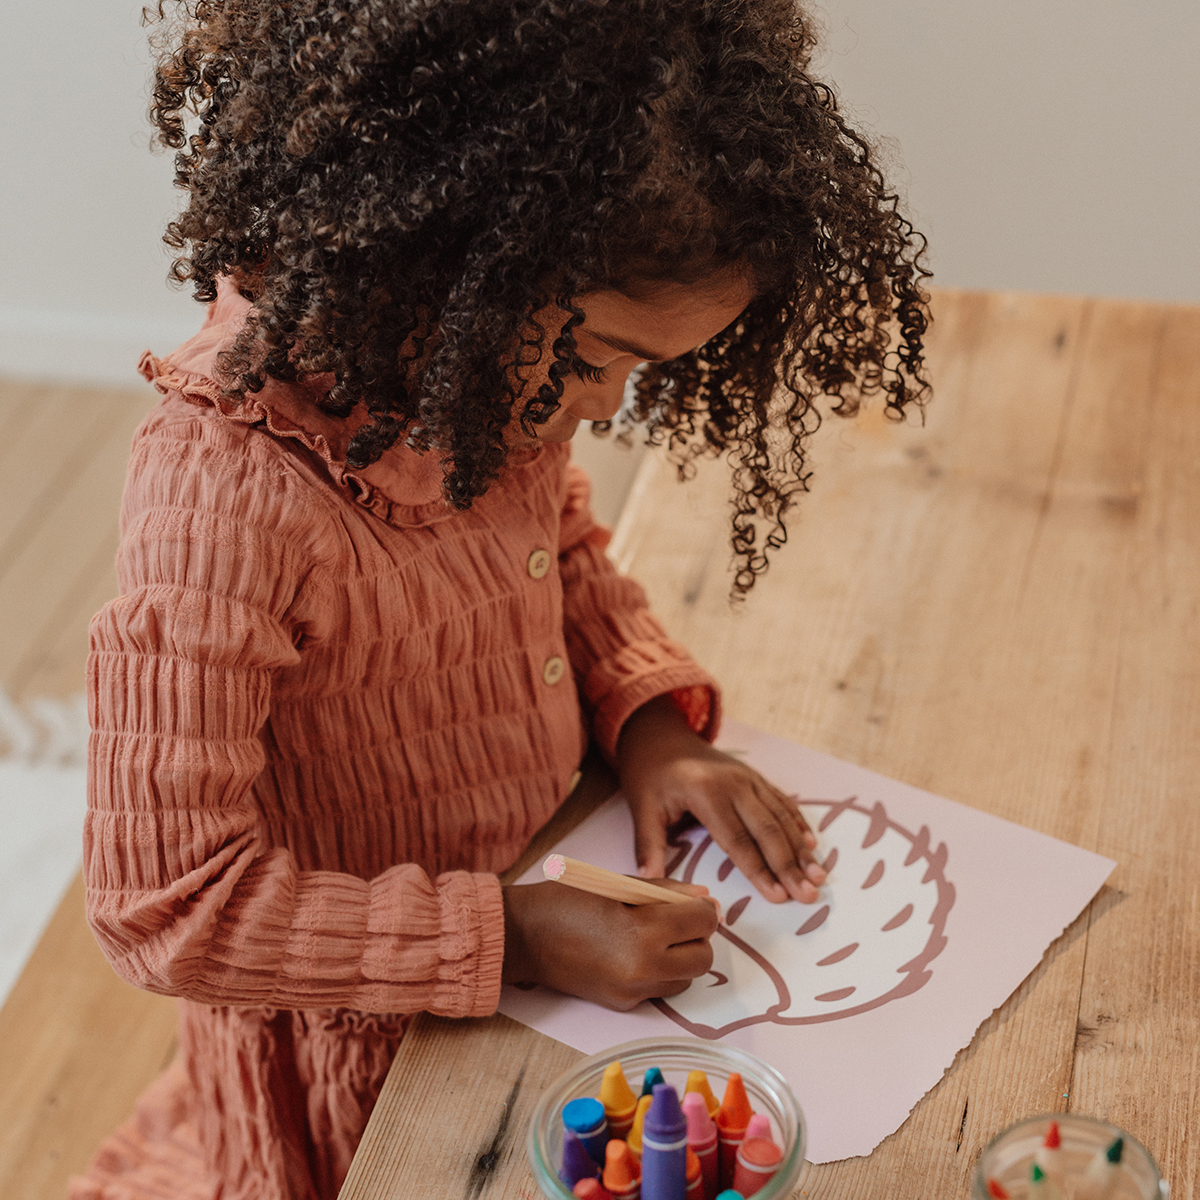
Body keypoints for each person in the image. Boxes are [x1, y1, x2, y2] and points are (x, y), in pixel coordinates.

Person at [73, 1, 930, 1197]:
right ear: (446, 257)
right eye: (593, 361)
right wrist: (512, 934)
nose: (600, 412)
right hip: (373, 1041)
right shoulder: (221, 496)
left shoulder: (480, 381)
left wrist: (649, 729)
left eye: (639, 375)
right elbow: (166, 906)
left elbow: (561, 551)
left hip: (559, 912)